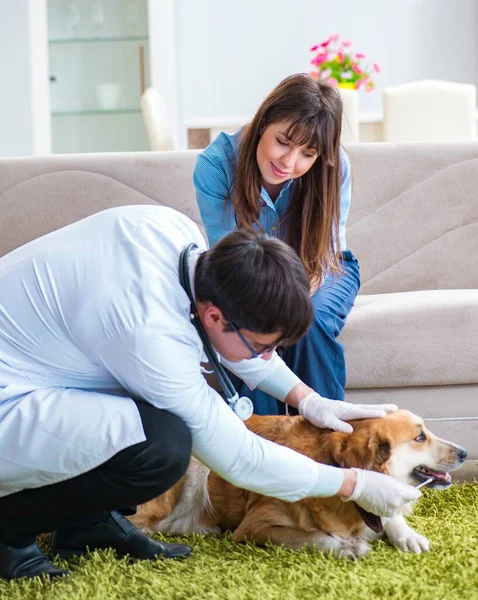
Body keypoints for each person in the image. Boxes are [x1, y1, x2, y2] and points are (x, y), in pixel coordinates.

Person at [0, 205, 419, 581]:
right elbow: (239, 458)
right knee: (162, 446)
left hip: (41, 367)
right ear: (215, 315)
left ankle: (86, 524)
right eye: (264, 347)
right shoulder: (148, 332)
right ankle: (9, 532)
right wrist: (353, 484)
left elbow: (230, 342)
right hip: (10, 397)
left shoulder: (178, 236)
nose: (269, 357)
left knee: (153, 430)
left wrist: (308, 398)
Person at [194, 73, 359, 415]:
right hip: (247, 276)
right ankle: (264, 449)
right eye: (283, 142)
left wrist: (289, 302)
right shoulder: (216, 166)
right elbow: (232, 266)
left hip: (324, 267)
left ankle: (331, 447)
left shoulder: (334, 165)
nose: (289, 162)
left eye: (307, 154)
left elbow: (322, 257)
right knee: (252, 324)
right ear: (263, 121)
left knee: (308, 322)